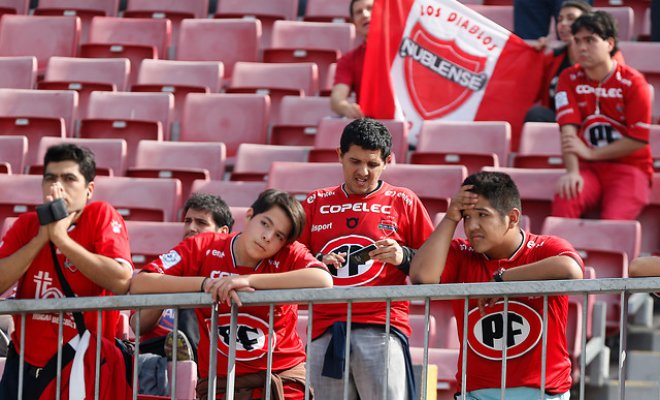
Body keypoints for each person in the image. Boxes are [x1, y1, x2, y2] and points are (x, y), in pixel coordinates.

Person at [130, 189, 333, 399]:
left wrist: (248, 280)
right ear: (249, 215)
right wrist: (206, 284)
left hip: (281, 382)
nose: (267, 237)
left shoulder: (290, 253)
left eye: (279, 235)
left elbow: (324, 281)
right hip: (220, 385)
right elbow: (141, 283)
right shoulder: (203, 245)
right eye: (265, 223)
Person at [410, 171, 584, 399]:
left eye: (482, 215)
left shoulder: (544, 248)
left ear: (512, 217)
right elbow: (421, 277)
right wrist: (451, 218)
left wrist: (502, 280)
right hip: (476, 394)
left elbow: (571, 270)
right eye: (467, 217)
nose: (472, 226)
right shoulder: (461, 252)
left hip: (543, 393)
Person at [299, 118, 434, 400]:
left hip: (382, 329)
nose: (363, 172)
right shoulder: (314, 202)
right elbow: (290, 260)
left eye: (372, 164)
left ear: (388, 161)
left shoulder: (404, 201)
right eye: (355, 161)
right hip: (325, 331)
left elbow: (436, 265)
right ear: (339, 155)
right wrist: (316, 261)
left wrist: (405, 256)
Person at [0, 144, 134, 398]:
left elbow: (121, 280)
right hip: (24, 366)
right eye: (50, 178)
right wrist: (42, 237)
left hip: (81, 363)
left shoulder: (101, 215)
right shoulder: (27, 224)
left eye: (69, 178)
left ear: (89, 190)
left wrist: (62, 239)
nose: (57, 187)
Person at [552, 11, 653, 220]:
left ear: (609, 43)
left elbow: (638, 140)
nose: (581, 47)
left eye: (590, 40)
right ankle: (559, 253)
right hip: (587, 168)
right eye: (577, 40)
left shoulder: (634, 83)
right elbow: (567, 129)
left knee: (613, 223)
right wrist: (572, 171)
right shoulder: (568, 77)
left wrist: (591, 154)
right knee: (566, 196)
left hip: (630, 168)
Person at [130, 193, 235, 363]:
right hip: (158, 362)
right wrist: (173, 285)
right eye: (188, 221)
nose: (191, 228)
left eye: (201, 223)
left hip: (209, 363)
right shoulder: (166, 268)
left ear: (223, 232)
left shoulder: (228, 276)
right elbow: (138, 326)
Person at [525, 1, 626, 123]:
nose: (563, 24)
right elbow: (531, 93)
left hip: (595, 121)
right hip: (558, 121)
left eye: (571, 18)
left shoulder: (609, 56)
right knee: (536, 114)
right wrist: (534, 56)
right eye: (560, 19)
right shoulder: (552, 57)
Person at [330, 0, 372, 118]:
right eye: (359, 12)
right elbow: (336, 100)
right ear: (354, 23)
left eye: (370, 8)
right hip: (370, 128)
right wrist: (346, 107)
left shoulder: (404, 50)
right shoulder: (348, 60)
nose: (365, 14)